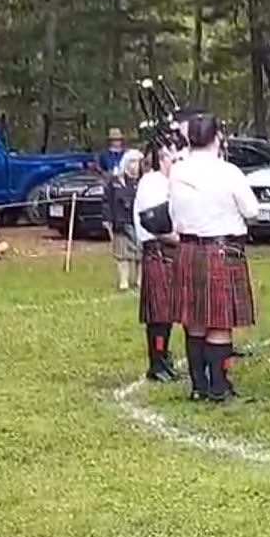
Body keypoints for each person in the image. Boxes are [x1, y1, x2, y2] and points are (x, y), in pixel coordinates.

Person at [170, 114, 260, 404]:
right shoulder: (228, 171)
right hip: (221, 249)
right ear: (217, 137)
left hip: (188, 249)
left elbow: (173, 213)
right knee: (219, 323)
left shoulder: (177, 171)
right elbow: (252, 210)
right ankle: (219, 387)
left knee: (195, 320)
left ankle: (199, 386)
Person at [135, 143, 180, 382]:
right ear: (162, 158)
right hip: (158, 249)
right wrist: (177, 238)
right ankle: (157, 364)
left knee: (167, 312)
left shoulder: (164, 182)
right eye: (174, 159)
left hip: (167, 251)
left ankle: (163, 359)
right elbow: (155, 223)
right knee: (159, 314)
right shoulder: (152, 183)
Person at [103, 149, 144, 291]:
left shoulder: (145, 181)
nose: (134, 165)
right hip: (121, 223)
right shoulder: (115, 182)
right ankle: (124, 281)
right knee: (122, 255)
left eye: (137, 162)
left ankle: (140, 280)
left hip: (141, 223)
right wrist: (107, 219)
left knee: (142, 254)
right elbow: (107, 201)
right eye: (131, 162)